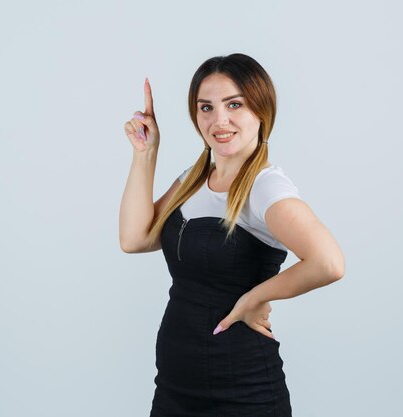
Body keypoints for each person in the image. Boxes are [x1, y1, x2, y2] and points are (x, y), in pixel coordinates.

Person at [119, 53, 345, 417]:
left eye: (234, 105)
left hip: (242, 393)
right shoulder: (192, 179)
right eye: (206, 107)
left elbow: (329, 263)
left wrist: (255, 298)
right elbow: (135, 238)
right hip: (175, 387)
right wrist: (145, 154)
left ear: (261, 110)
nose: (218, 120)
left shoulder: (265, 187)